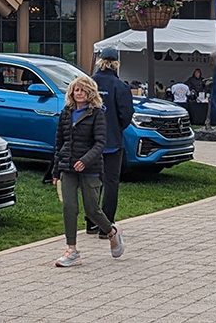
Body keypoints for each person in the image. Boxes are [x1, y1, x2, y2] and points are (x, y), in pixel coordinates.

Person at [51, 76, 124, 267]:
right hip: (67, 167)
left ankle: (111, 232)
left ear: (90, 93)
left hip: (90, 168)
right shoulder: (66, 113)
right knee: (69, 207)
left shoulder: (97, 113)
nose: (79, 93)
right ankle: (72, 250)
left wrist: (85, 160)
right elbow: (59, 142)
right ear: (72, 93)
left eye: (83, 90)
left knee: (92, 210)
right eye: (76, 90)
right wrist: (56, 170)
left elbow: (100, 143)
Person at [89, 47, 134, 242]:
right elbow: (127, 115)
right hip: (112, 141)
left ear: (99, 61)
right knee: (111, 183)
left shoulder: (89, 84)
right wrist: (116, 127)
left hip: (90, 142)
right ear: (116, 63)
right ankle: (105, 226)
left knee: (91, 182)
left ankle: (90, 222)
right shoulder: (121, 86)